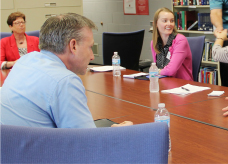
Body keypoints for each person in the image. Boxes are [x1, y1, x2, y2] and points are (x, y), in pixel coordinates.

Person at [0, 13, 132, 128]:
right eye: (90, 47)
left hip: (12, 150)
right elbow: (86, 144)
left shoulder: (25, 61)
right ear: (73, 45)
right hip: (40, 154)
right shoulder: (64, 81)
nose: (92, 56)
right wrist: (119, 134)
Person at [151, 7, 193, 81]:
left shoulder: (180, 40)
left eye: (172, 21)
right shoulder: (154, 43)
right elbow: (156, 67)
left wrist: (157, 72)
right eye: (165, 21)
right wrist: (157, 72)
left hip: (181, 85)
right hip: (163, 82)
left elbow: (170, 71)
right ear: (156, 24)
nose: (169, 24)